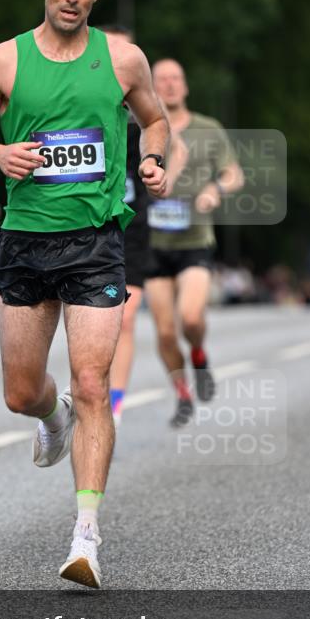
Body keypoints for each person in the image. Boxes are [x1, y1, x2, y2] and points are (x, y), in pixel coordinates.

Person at [0, 0, 169, 589]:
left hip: (96, 240)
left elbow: (154, 122)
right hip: (24, 240)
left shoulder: (123, 60)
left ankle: (86, 537)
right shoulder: (3, 60)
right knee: (20, 392)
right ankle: (51, 417)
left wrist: (152, 160)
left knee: (93, 383)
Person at [145, 59, 244, 427]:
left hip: (194, 240)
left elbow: (234, 174)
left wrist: (214, 189)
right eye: (162, 80)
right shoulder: (143, 129)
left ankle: (199, 354)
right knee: (166, 330)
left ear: (185, 86)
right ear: (152, 87)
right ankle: (183, 394)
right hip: (153, 244)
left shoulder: (208, 128)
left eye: (176, 79)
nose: (169, 86)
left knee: (189, 317)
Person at [101, 26, 188, 427]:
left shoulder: (141, 106)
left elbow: (175, 145)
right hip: (85, 223)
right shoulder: (81, 99)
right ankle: (88, 390)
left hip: (131, 230)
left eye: (124, 48)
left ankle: (113, 406)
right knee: (89, 324)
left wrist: (163, 174)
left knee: (126, 317)